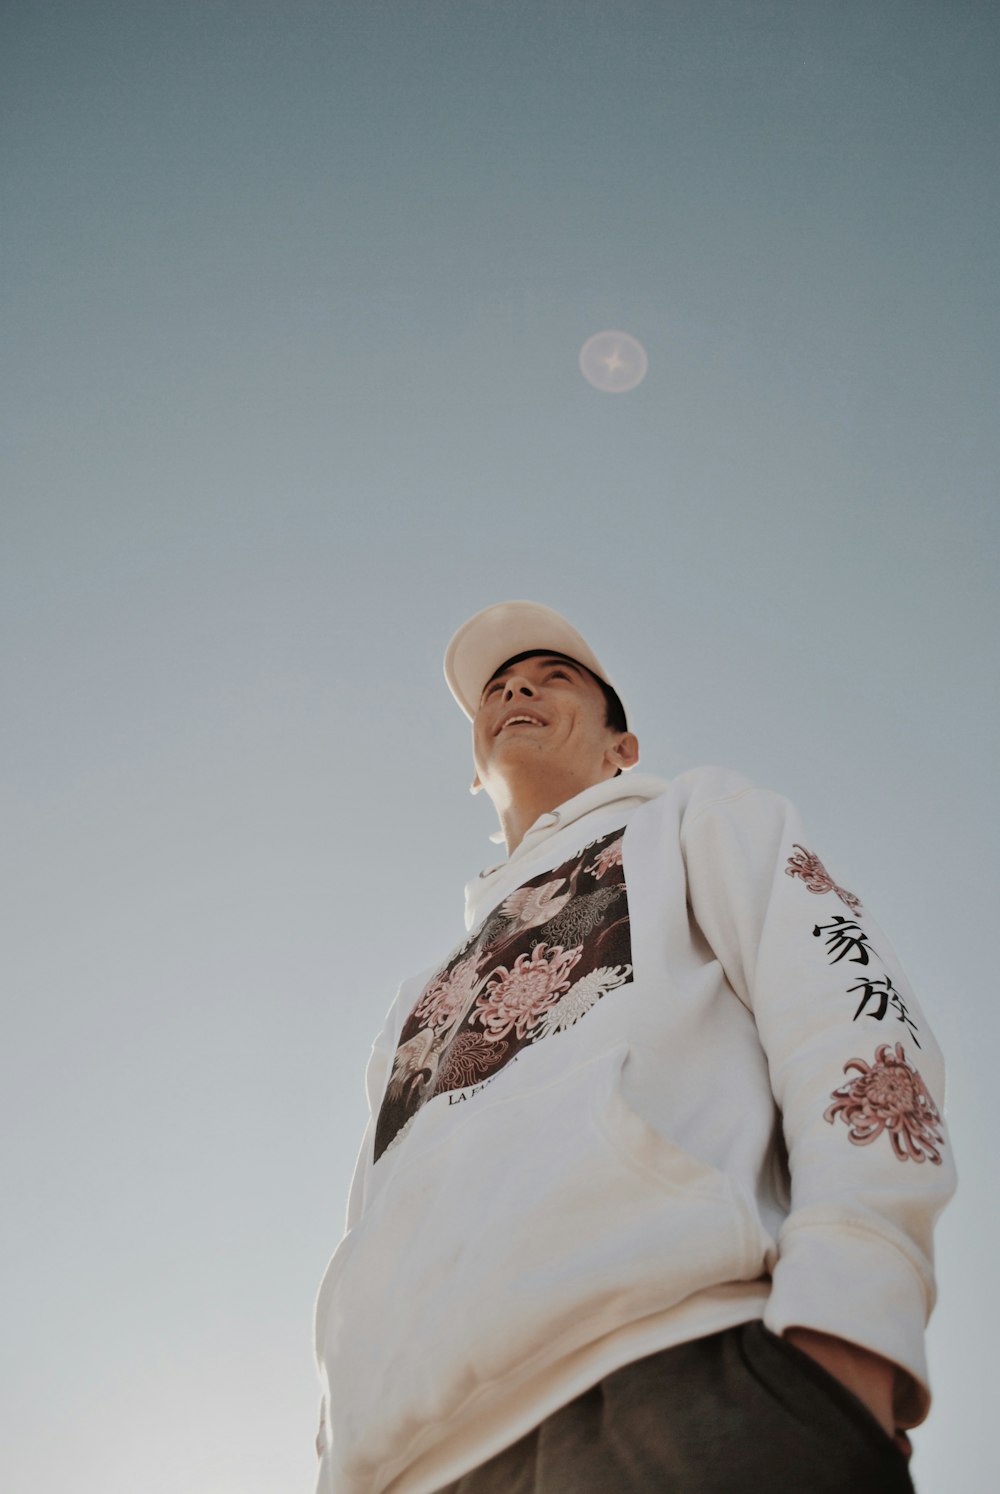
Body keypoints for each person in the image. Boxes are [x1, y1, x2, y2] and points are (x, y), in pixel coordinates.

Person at [313, 600, 955, 1494]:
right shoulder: (415, 998)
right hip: (411, 1464)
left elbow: (851, 1011)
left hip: (687, 1381)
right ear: (473, 773)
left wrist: (854, 1326)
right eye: (496, 689)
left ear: (624, 744)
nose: (517, 689)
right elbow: (366, 1228)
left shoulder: (700, 817)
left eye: (554, 676)